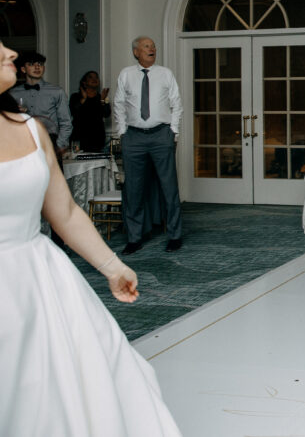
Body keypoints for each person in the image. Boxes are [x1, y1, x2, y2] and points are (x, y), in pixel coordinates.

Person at [0, 40, 182, 435]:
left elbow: (64, 211)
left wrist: (112, 266)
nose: (11, 54)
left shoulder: (30, 129)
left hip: (40, 280)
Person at [113, 37, 183, 255]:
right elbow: (118, 104)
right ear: (136, 52)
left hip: (161, 135)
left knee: (168, 187)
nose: (152, 49)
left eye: (153, 46)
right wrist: (123, 132)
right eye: (146, 46)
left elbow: (176, 103)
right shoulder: (126, 74)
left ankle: (175, 235)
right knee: (133, 189)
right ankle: (134, 237)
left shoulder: (166, 73)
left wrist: (174, 131)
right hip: (133, 138)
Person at [10, 50, 73, 158]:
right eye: (31, 64)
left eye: (40, 64)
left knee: (53, 175)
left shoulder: (57, 91)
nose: (37, 67)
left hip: (50, 142)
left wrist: (58, 145)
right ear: (23, 69)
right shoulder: (13, 94)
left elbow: (66, 122)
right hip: (23, 144)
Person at [70, 70, 111, 153]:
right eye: (90, 77)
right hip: (79, 138)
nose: (94, 79)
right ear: (84, 83)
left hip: (97, 140)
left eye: (96, 77)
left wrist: (103, 100)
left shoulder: (101, 97)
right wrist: (83, 99)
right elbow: (73, 111)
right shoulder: (76, 96)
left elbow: (107, 114)